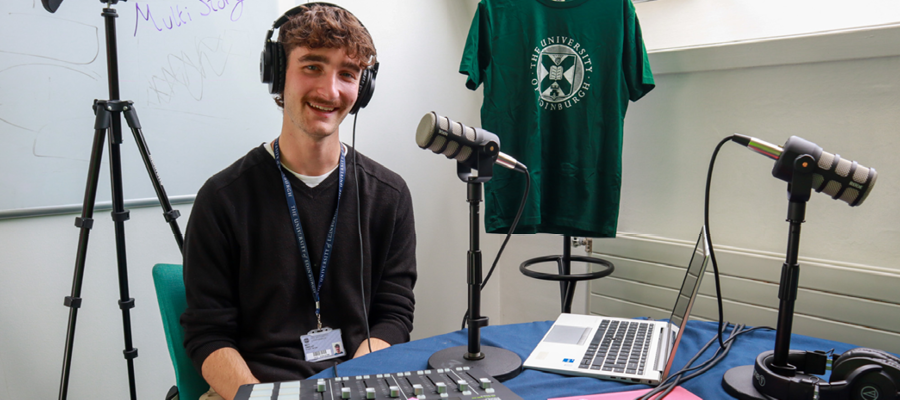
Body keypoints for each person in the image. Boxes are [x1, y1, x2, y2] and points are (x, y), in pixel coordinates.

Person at [180, 4, 417, 400]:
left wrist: (352, 387)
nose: (330, 91)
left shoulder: (390, 196)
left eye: (348, 74)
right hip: (252, 390)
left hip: (356, 382)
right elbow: (208, 334)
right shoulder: (222, 198)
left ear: (364, 87)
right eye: (312, 67)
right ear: (277, 75)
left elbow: (393, 317)